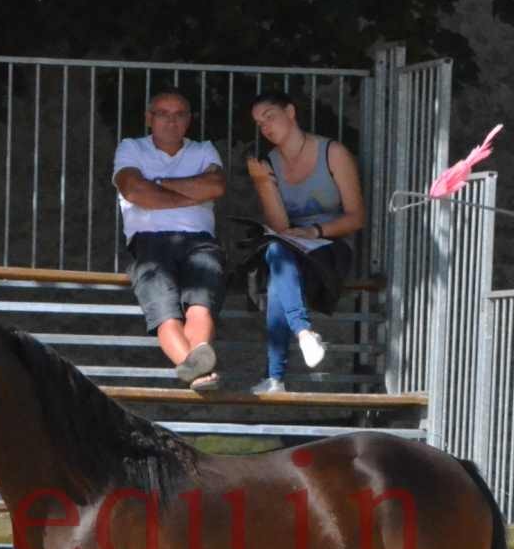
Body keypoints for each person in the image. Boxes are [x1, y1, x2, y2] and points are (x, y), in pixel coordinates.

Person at [241, 90, 365, 394]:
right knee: (276, 254)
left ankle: (276, 374)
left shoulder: (332, 152)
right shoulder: (268, 161)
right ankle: (304, 335)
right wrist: (263, 183)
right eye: (259, 123)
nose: (265, 127)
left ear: (291, 112)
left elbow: (356, 217)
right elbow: (281, 226)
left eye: (269, 116)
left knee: (277, 269)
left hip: (331, 246)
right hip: (292, 248)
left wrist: (315, 232)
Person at [112, 88, 228, 390]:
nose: (171, 121)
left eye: (179, 115)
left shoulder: (204, 149)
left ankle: (197, 370)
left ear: (189, 120)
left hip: (200, 241)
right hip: (149, 242)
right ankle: (198, 371)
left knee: (200, 305)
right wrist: (191, 195)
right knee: (165, 311)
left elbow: (214, 187)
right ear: (149, 118)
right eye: (163, 113)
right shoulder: (131, 147)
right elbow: (135, 191)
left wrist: (159, 187)